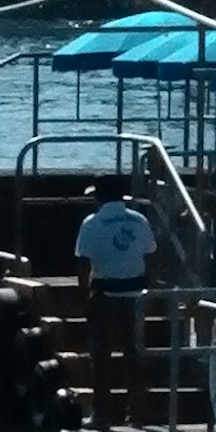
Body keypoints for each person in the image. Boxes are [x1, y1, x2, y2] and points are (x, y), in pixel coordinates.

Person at [75, 175, 158, 409]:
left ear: (100, 196)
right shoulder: (139, 221)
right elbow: (151, 256)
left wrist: (85, 298)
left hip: (105, 295)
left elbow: (83, 264)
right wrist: (149, 289)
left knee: (101, 357)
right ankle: (138, 412)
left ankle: (102, 414)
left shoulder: (91, 223)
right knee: (135, 355)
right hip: (136, 295)